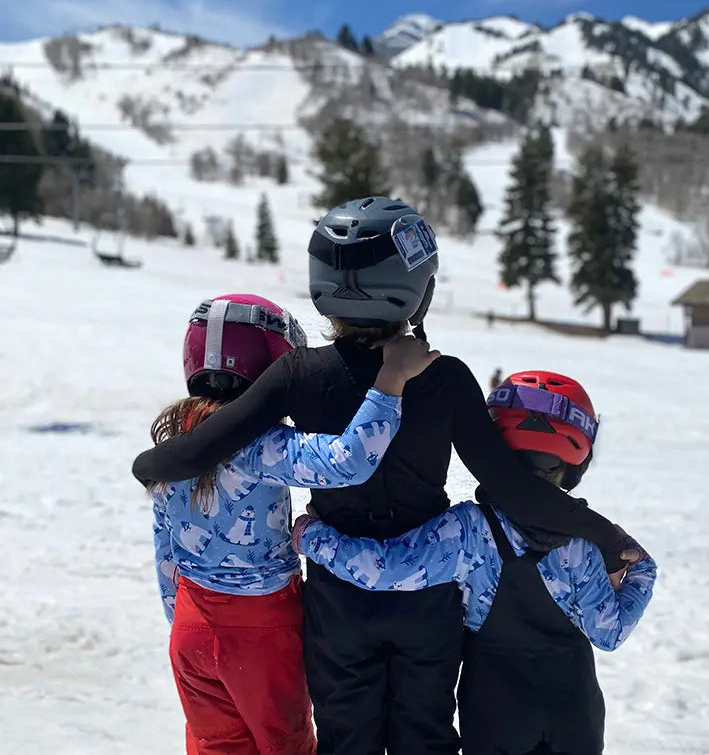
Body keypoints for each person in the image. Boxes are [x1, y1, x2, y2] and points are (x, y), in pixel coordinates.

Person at [133, 198, 633, 755]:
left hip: (337, 593)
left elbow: (202, 448)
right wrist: (608, 537)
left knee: (348, 737)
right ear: (417, 290)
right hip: (427, 593)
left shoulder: (299, 372)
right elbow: (515, 492)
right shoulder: (444, 378)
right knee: (425, 734)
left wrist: (149, 464)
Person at [294, 370, 657, 755]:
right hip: (575, 712)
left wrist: (312, 537)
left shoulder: (470, 529)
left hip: (495, 713)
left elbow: (382, 570)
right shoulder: (585, 544)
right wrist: (641, 567)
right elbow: (609, 633)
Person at [145, 292, 439, 755]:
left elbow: (165, 550)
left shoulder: (171, 449)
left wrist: (186, 622)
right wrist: (390, 379)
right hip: (261, 629)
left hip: (190, 624)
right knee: (286, 744)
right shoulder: (262, 445)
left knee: (215, 745)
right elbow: (350, 462)